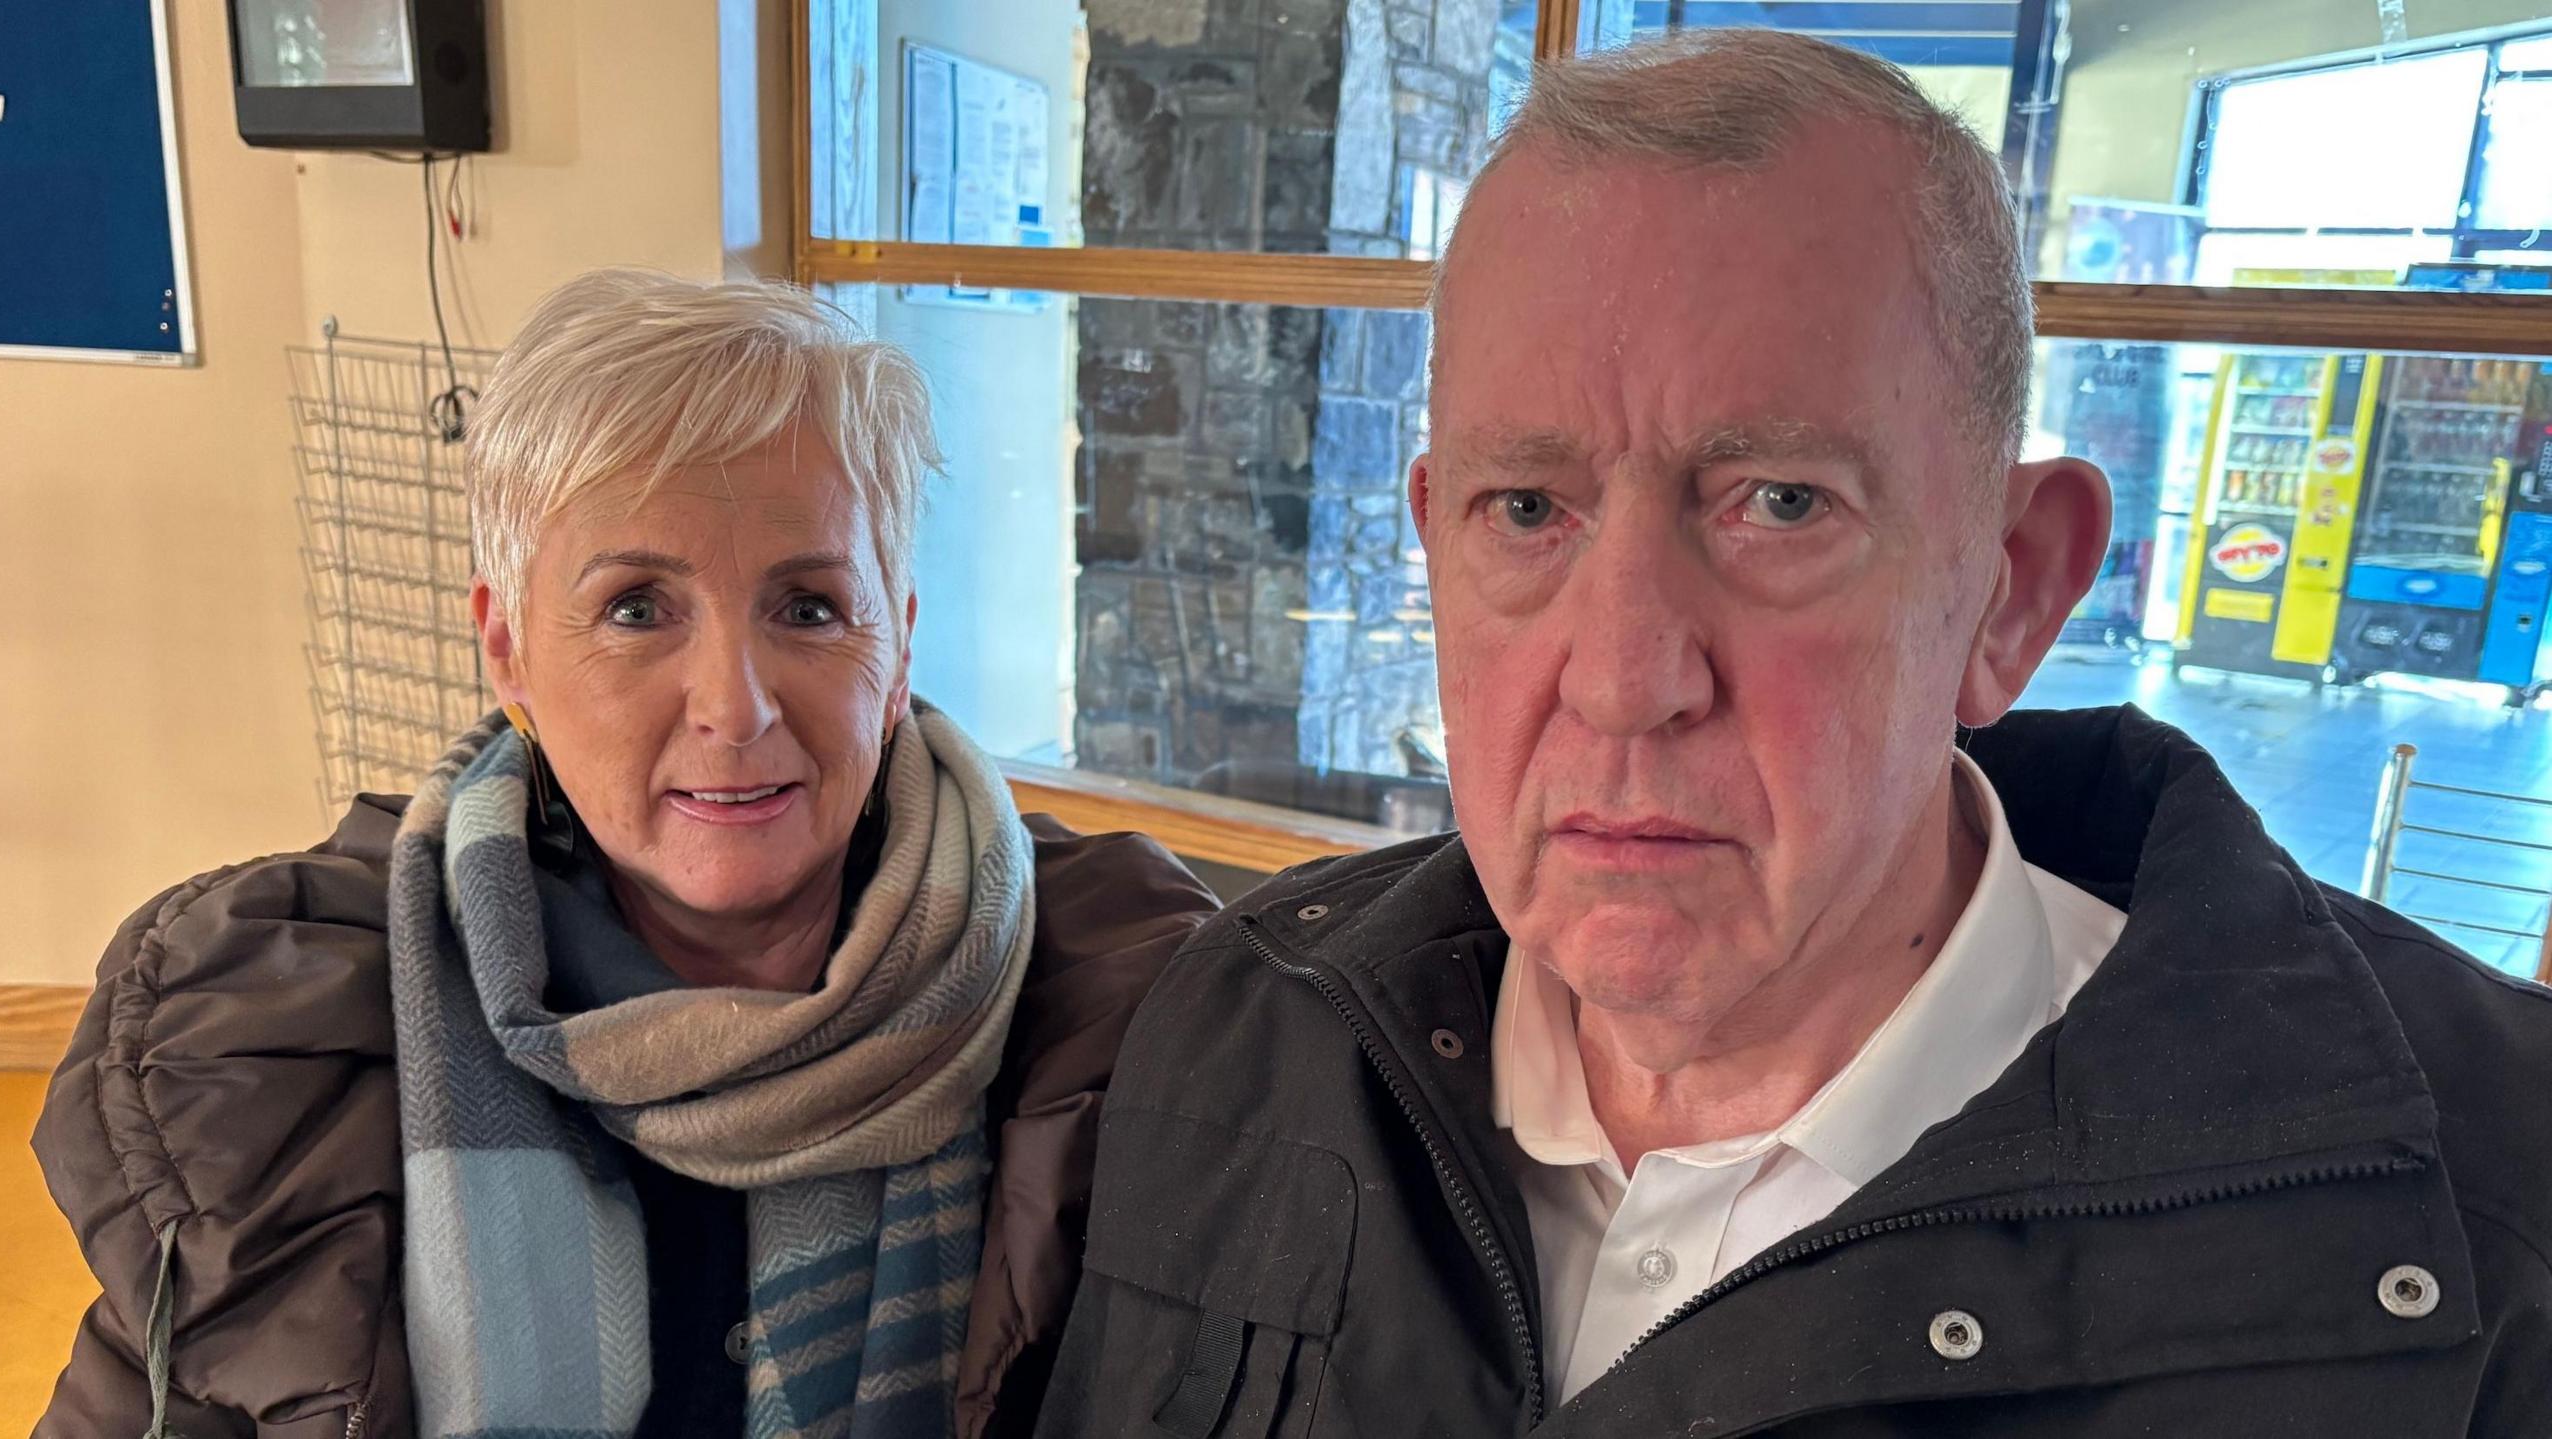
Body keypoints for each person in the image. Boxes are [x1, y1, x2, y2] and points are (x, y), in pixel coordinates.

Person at [1035, 30, 2552, 1438]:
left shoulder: (2489, 1239)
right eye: (1527, 508)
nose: (1627, 677)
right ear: (1438, 546)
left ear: (2009, 590)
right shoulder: (1244, 1025)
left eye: (1778, 502)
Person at [34, 271, 1217, 1439]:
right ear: (509, 652)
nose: (733, 706)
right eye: (637, 608)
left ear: (897, 644)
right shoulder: (273, 1045)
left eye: (807, 606)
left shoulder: (1146, 1017)